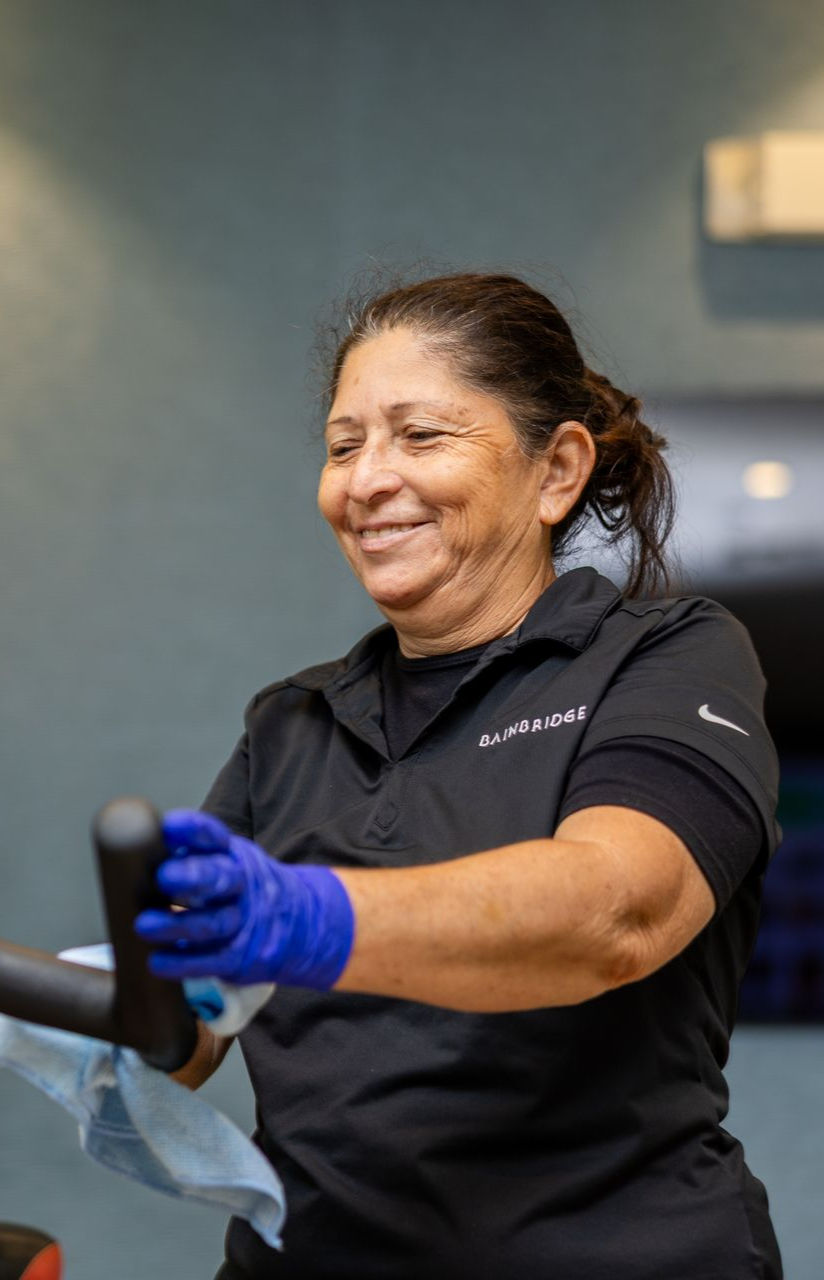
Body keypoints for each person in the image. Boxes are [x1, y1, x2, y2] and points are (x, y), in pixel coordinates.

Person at [136, 273, 782, 1279]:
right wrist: (114, 1023)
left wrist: (309, 917)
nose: (365, 480)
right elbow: (191, 1037)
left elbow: (619, 910)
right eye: (344, 444)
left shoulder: (664, 657)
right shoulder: (290, 721)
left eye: (419, 435)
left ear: (555, 470)